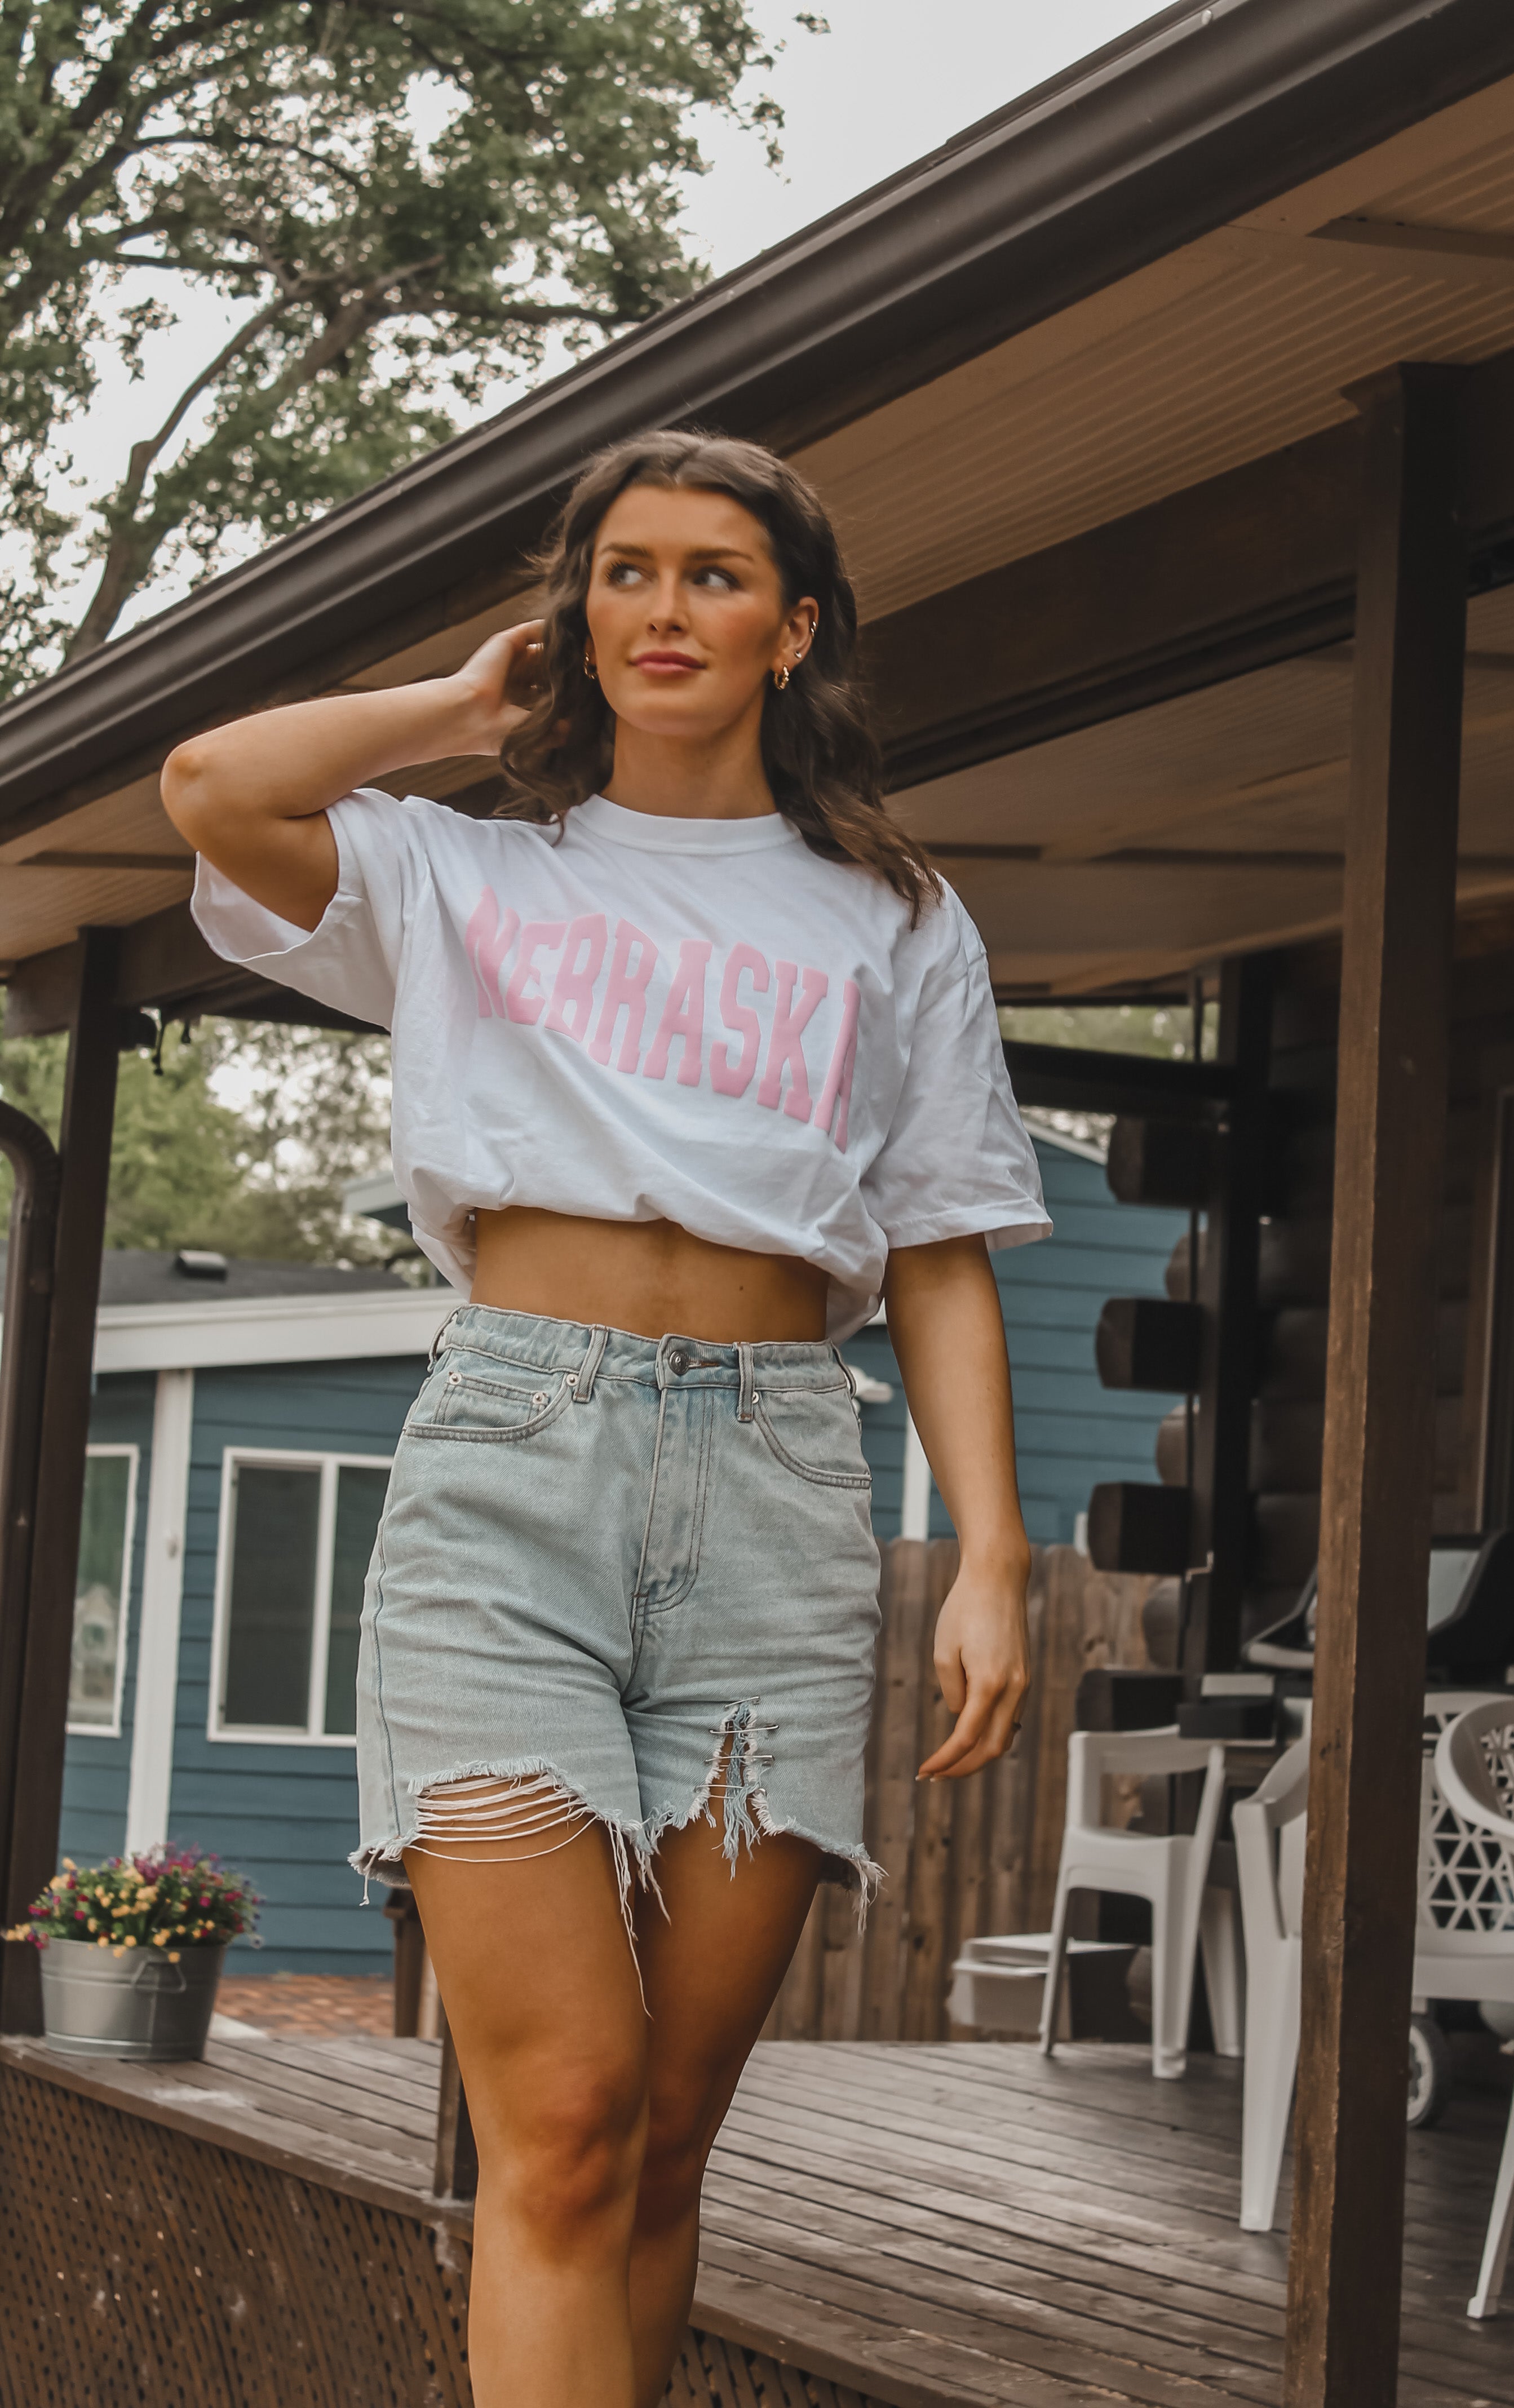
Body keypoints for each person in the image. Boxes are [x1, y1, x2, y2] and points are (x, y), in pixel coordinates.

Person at [163, 430, 1048, 2408]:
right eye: (624, 572)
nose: (664, 609)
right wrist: (462, 708)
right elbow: (213, 786)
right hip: (511, 1476)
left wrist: (992, 1548)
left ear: (794, 628)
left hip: (776, 1486)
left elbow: (940, 1252)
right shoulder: (462, 866)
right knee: (560, 2113)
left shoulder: (894, 920)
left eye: (715, 574)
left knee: (659, 2136)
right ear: (576, 615)